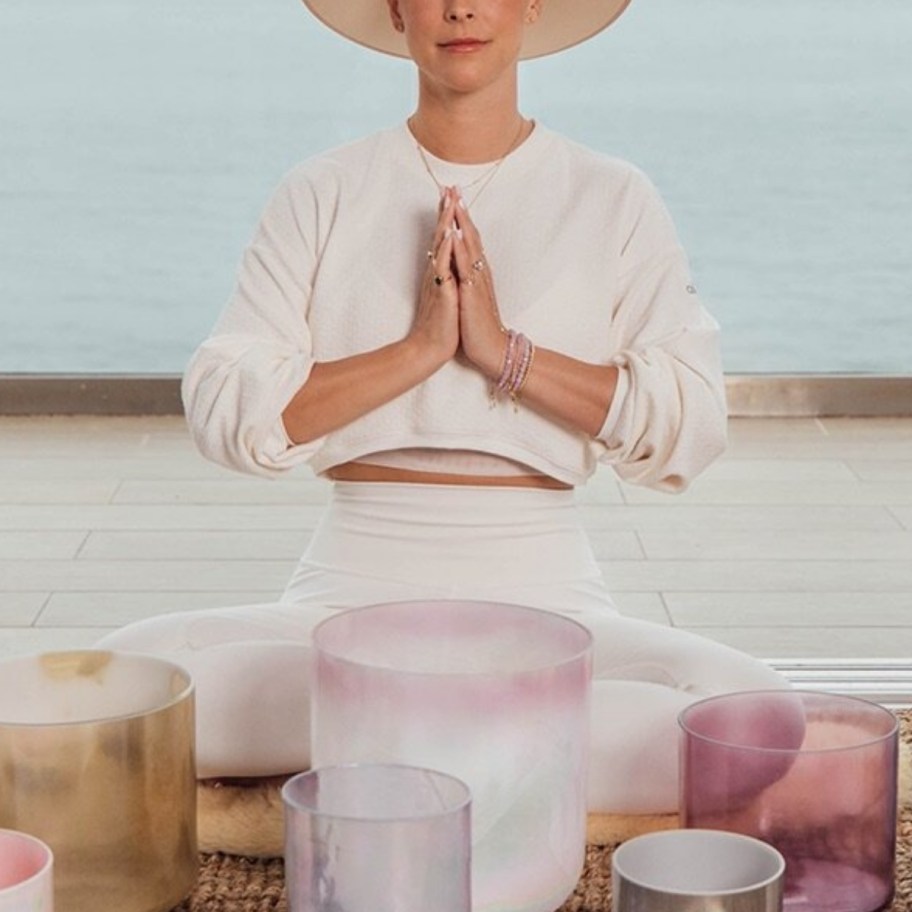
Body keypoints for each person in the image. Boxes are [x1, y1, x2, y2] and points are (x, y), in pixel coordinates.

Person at [98, 0, 788, 814]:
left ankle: (378, 746)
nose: (460, 7)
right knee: (117, 684)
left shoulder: (611, 196)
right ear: (397, 10)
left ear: (532, 5)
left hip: (546, 597)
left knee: (753, 717)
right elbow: (225, 406)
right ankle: (494, 759)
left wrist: (504, 353)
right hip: (348, 594)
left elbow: (692, 422)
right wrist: (420, 350)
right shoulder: (324, 190)